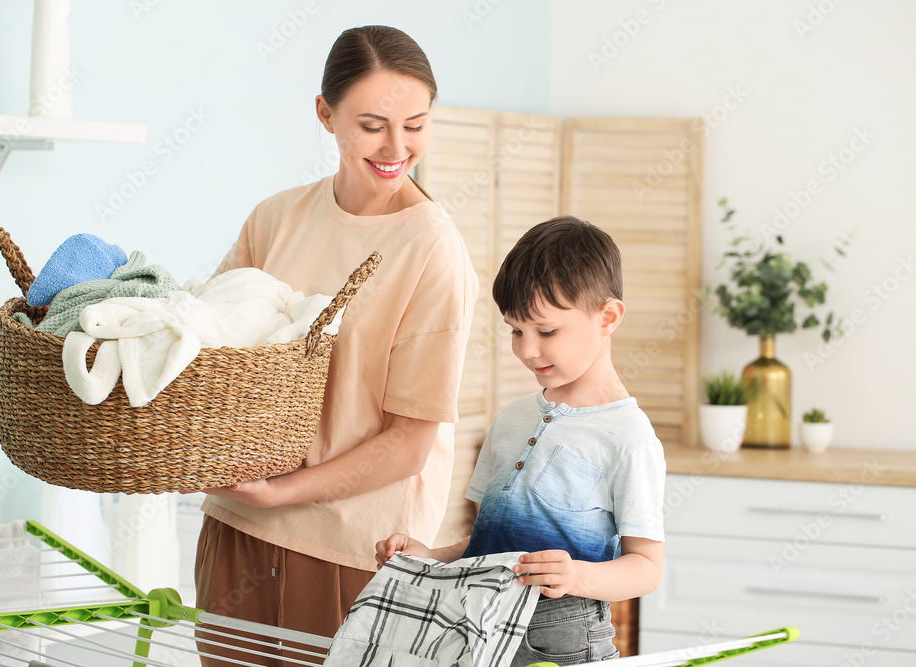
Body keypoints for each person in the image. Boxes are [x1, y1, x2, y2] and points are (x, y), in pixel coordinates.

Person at [192, 24, 478, 663]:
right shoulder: (276, 218)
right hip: (237, 528)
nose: (397, 146)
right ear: (326, 114)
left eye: (417, 124)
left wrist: (281, 491)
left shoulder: (432, 246)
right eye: (373, 124)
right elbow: (207, 356)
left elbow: (410, 442)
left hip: (353, 553)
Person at [376, 217, 666, 666]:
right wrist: (430, 556)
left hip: (564, 636)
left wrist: (577, 576)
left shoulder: (628, 437)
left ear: (607, 317)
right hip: (481, 627)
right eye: (516, 330)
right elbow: (487, 546)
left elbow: (647, 567)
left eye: (546, 331)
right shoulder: (511, 420)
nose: (527, 350)